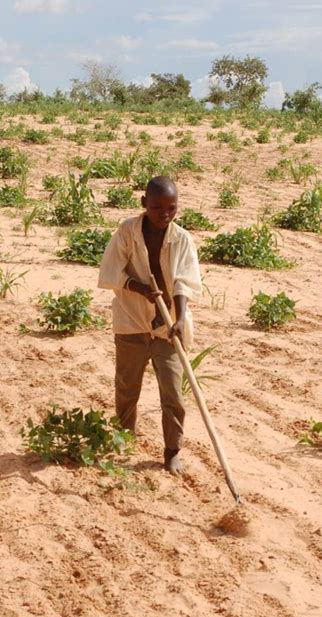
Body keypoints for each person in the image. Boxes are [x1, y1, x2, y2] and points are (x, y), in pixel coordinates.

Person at [98, 176, 201, 474]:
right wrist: (138, 287)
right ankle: (123, 440)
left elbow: (184, 281)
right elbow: (110, 271)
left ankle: (172, 451)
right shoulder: (127, 231)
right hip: (131, 322)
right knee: (127, 388)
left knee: (173, 393)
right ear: (144, 204)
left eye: (171, 208)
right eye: (157, 207)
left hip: (167, 329)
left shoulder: (182, 239)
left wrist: (179, 319)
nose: (164, 214)